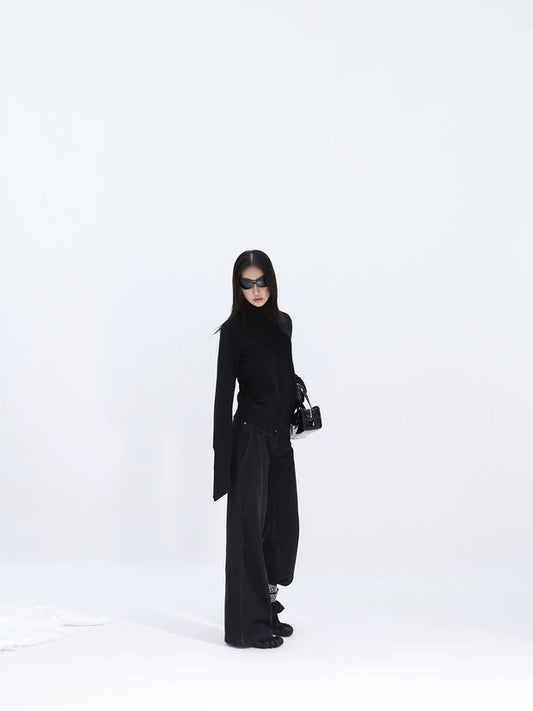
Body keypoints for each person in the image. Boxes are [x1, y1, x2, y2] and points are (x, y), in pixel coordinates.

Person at [212, 249, 300, 649]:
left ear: (271, 281)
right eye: (247, 284)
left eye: (261, 281)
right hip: (249, 438)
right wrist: (223, 456)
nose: (255, 290)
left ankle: (267, 608)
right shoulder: (233, 331)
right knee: (248, 528)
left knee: (281, 525)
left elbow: (283, 372)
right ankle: (246, 627)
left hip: (280, 437)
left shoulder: (283, 324)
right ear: (238, 288)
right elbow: (222, 395)